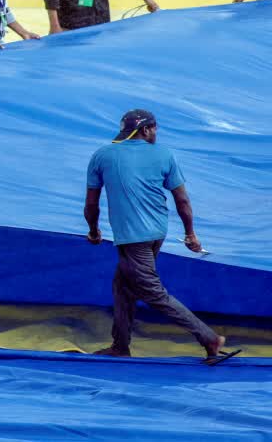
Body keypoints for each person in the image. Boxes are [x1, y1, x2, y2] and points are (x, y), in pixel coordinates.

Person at [84, 109, 228, 359]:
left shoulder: (102, 155)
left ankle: (209, 338)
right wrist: (190, 234)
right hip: (156, 232)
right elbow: (182, 200)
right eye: (155, 128)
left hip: (132, 237)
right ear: (146, 129)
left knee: (152, 292)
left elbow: (91, 205)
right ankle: (120, 346)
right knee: (123, 286)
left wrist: (94, 231)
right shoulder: (164, 155)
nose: (156, 133)